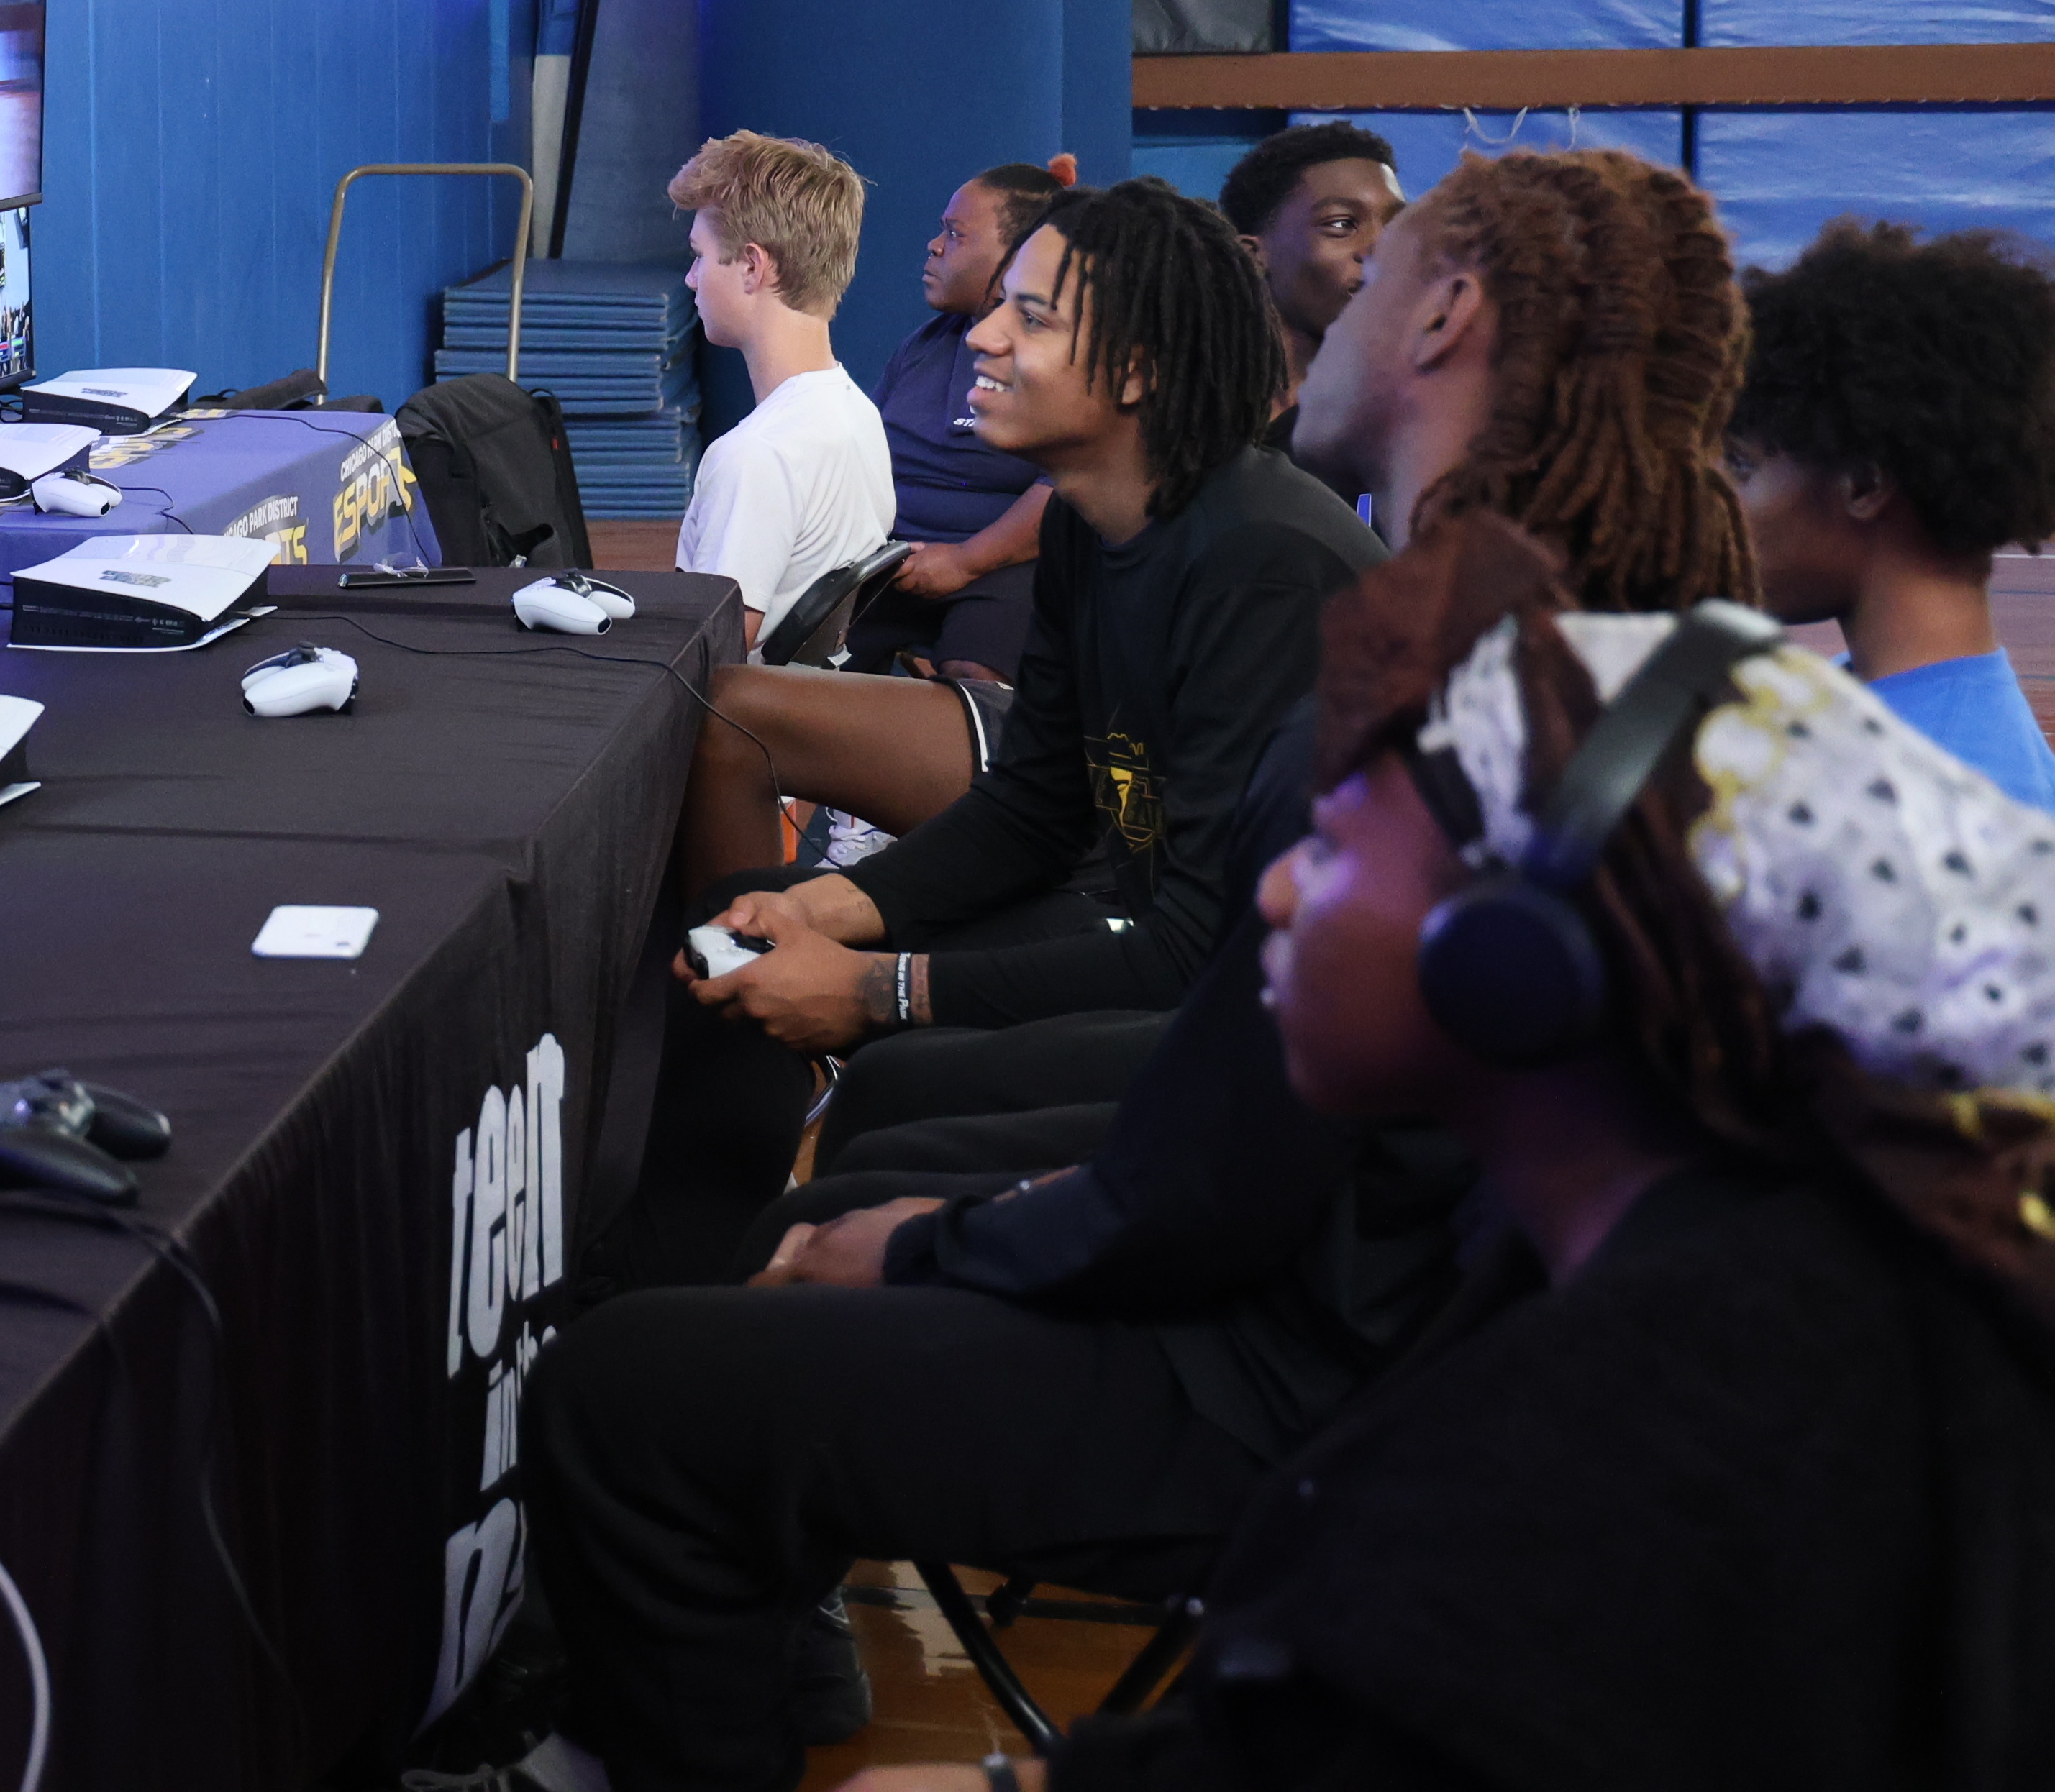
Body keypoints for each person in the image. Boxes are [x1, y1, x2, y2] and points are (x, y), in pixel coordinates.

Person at [439, 152, 1765, 1792]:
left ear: (1449, 313)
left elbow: (1217, 1148)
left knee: (626, 1386)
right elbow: (1222, 1080)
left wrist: (938, 1204)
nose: (1334, 301)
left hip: (1316, 1372)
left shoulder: (1458, 692)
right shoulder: (1621, 675)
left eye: (1386, 254)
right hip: (1345, 1302)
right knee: (802, 1231)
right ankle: (731, 1670)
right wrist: (872, 960)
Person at [842, 515, 2055, 1792]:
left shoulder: (1651, 1417)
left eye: (1338, 844)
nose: (1279, 896)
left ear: (1513, 971)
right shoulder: (1707, 1247)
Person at [602, 180, 1372, 1297]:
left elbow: (1199, 951)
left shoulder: (1260, 566)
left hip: (1278, 1033)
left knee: (893, 1087)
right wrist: (824, 909)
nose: (988, 336)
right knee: (759, 958)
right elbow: (1037, 808)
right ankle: (669, 1274)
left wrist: (881, 991)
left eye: (1035, 317)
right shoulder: (1082, 527)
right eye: (999, 305)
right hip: (1175, 944)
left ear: (1143, 369)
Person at [1731, 217, 2055, 807]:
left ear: (1863, 483)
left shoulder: (1957, 805)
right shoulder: (1875, 702)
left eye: (1743, 468)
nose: (1722, 502)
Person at [665, 132, 896, 649]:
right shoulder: (860, 416)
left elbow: (706, 659)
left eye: (700, 257)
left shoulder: (754, 457)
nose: (691, 279)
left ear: (751, 266)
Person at [864, 160, 1073, 680]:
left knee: (973, 680)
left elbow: (1067, 487)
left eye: (955, 234)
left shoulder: (1058, 357)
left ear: (1020, 255)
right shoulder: (921, 347)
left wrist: (965, 561)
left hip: (1006, 569)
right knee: (803, 669)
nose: (934, 246)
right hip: (892, 564)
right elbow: (861, 458)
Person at [1216, 122, 1403, 423]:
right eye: (1342, 225)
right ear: (1252, 255)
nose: (1381, 250)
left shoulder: (1412, 427)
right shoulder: (1194, 424)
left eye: (1395, 226)